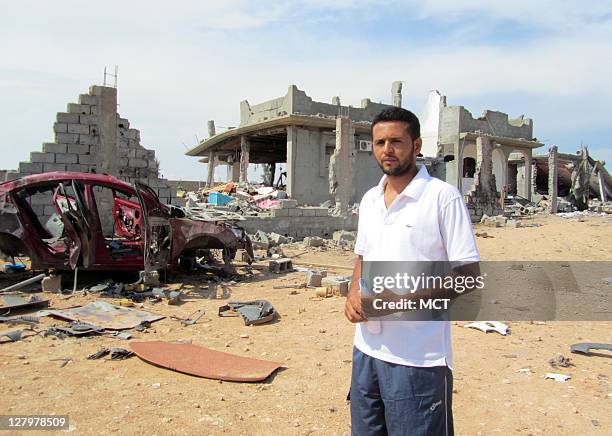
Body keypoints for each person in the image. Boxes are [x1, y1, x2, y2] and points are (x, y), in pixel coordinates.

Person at [345, 107, 480, 435]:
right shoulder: (370, 200)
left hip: (419, 360)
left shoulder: (442, 198)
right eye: (379, 142)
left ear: (416, 145)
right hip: (366, 353)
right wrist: (352, 291)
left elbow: (469, 276)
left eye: (396, 141)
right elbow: (363, 254)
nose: (386, 150)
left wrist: (398, 301)